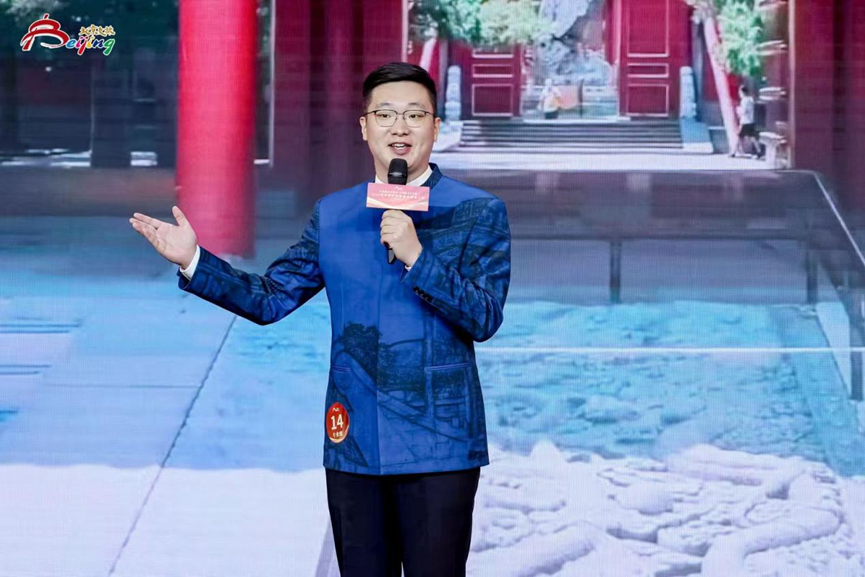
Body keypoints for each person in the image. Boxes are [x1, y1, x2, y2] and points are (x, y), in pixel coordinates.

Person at [129, 62, 511, 577]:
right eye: (386, 114)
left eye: (415, 115)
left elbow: (484, 317)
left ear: (435, 126)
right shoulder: (335, 214)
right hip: (354, 441)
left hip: (440, 446)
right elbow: (270, 299)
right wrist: (194, 260)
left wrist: (419, 257)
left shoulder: (478, 211)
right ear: (365, 127)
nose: (400, 127)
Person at [732, 85, 761, 158]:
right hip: (751, 121)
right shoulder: (750, 99)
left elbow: (744, 111)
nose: (739, 94)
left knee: (739, 137)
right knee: (753, 137)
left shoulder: (744, 100)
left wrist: (738, 110)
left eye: (739, 92)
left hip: (745, 122)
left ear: (742, 92)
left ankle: (733, 152)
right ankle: (759, 151)